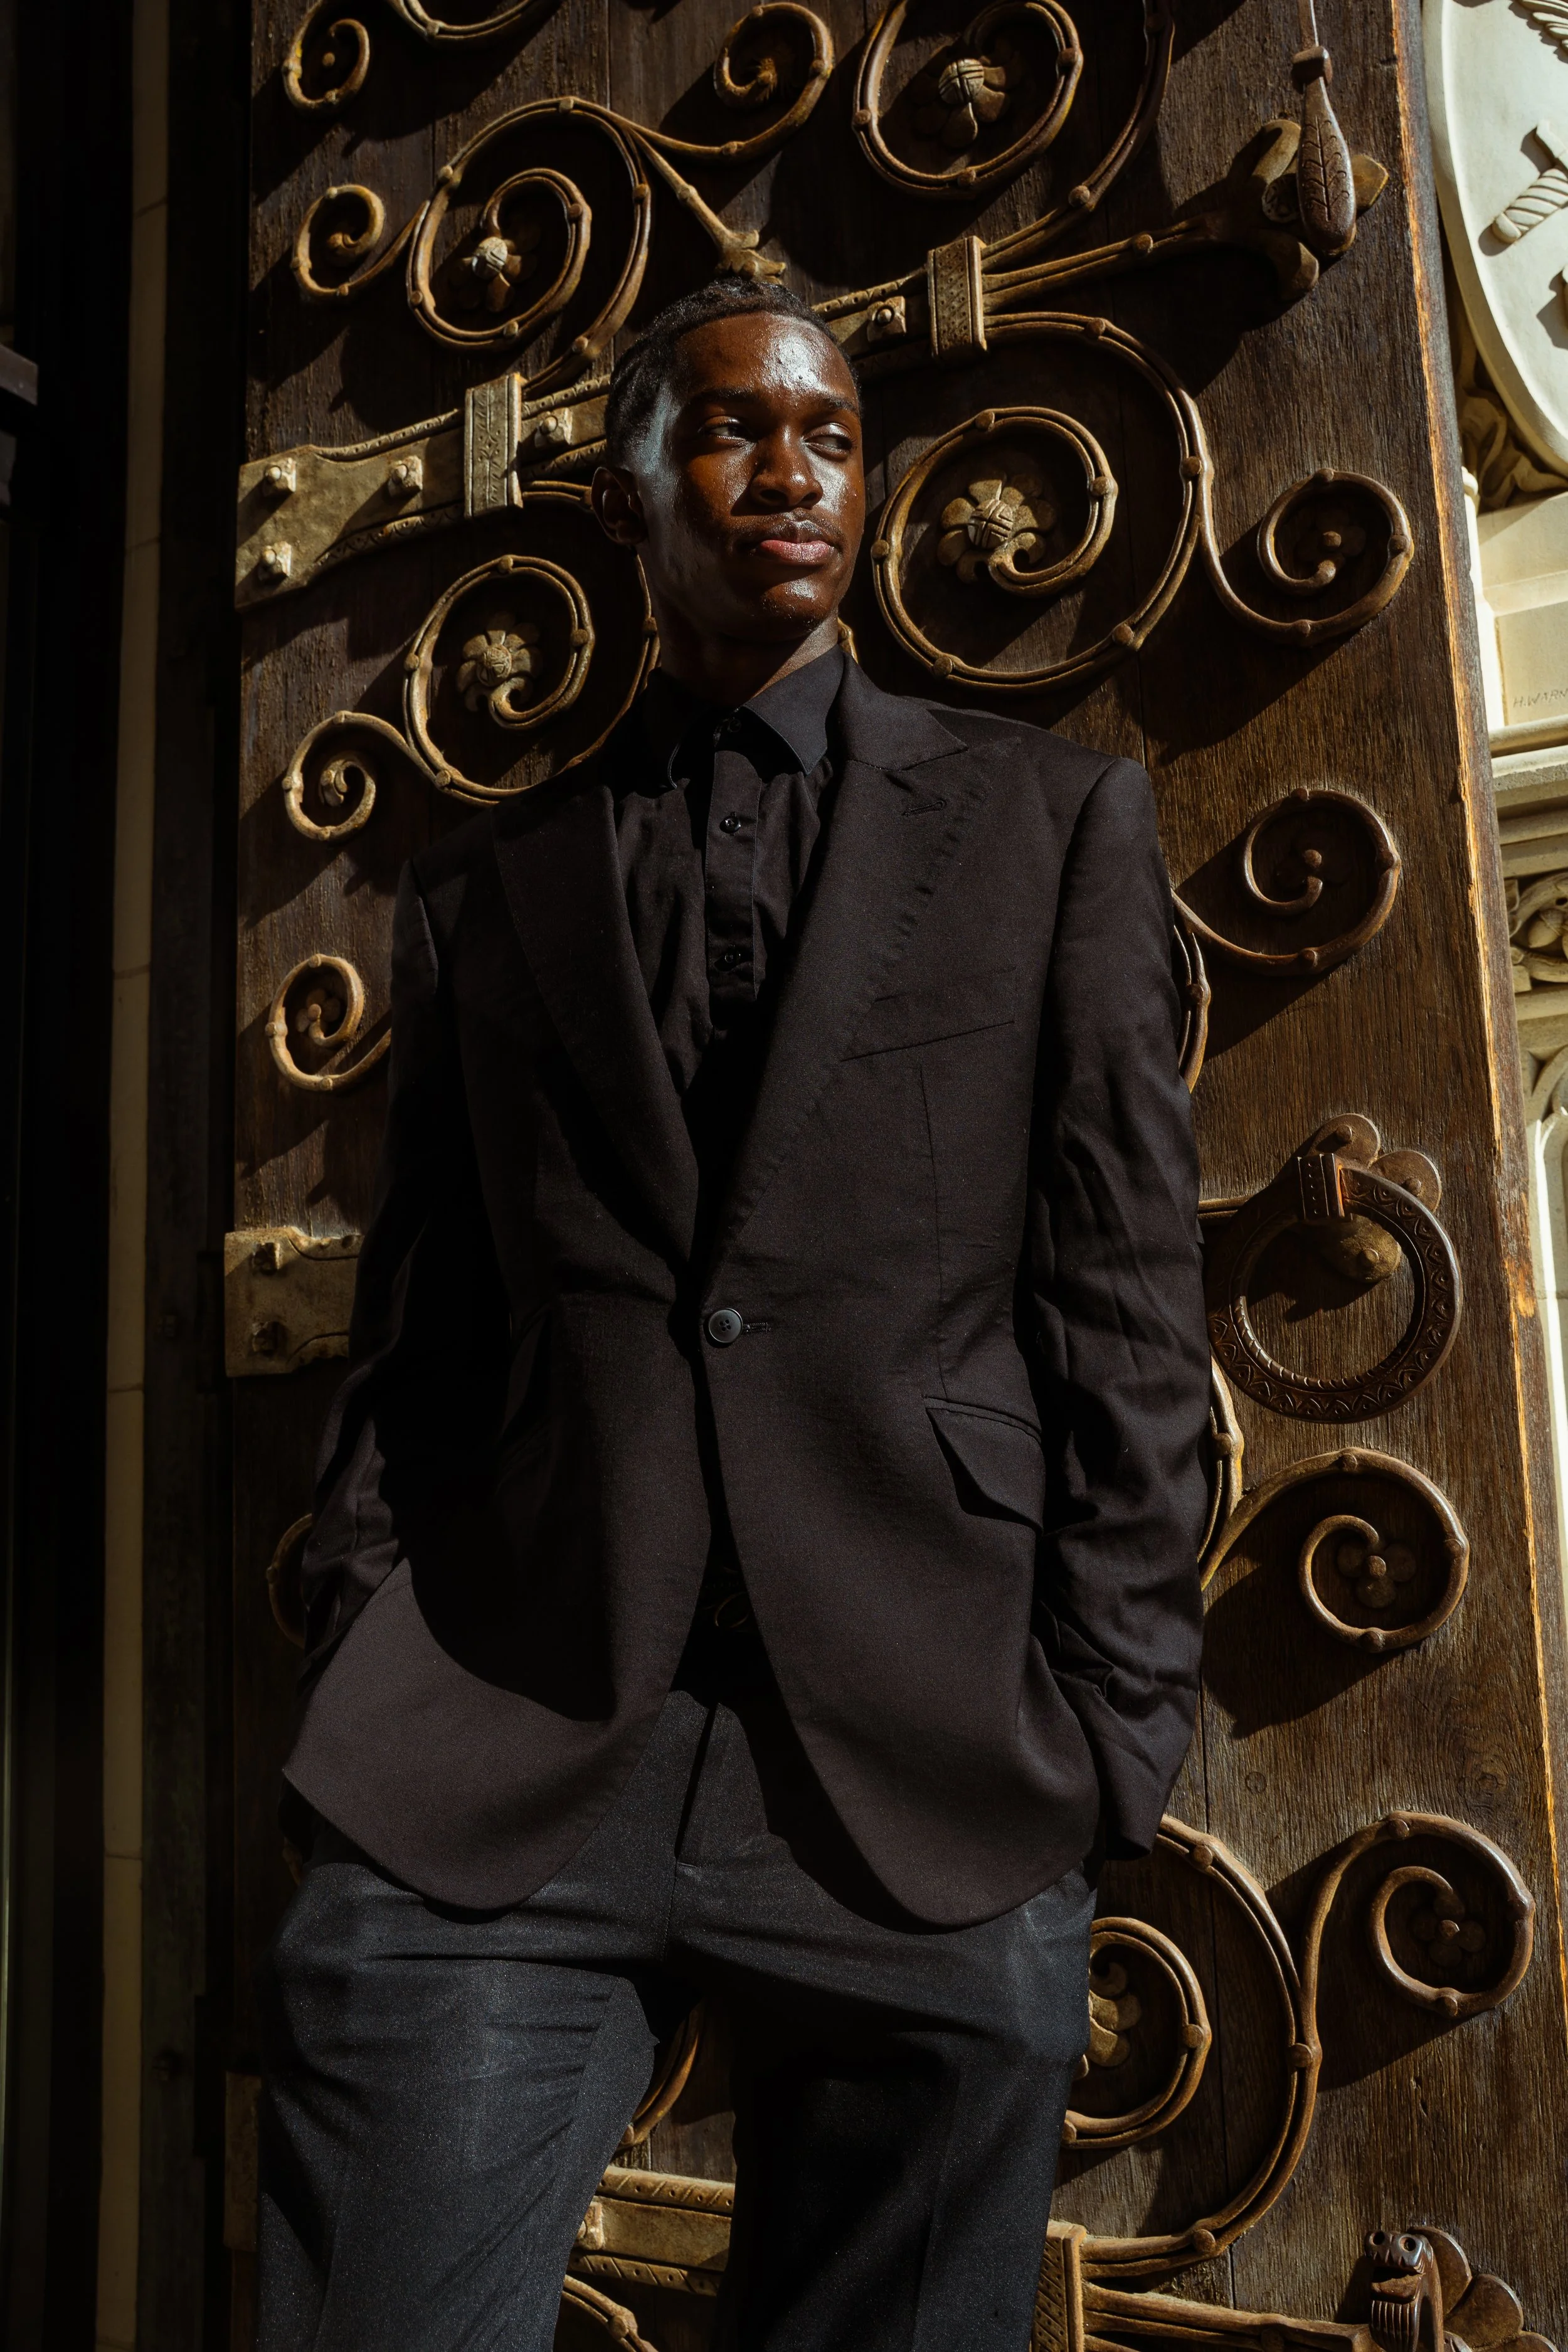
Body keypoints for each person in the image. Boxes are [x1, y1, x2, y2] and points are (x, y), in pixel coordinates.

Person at [257, 273, 1212, 2352]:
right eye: (729, 429)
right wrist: (370, 1627)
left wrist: (1107, 1739)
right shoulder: (484, 884)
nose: (791, 470)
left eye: (832, 436)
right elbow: (420, 1337)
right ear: (622, 491)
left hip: (925, 1767)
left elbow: (1128, 1308)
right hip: (511, 1736)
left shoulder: (1051, 827)